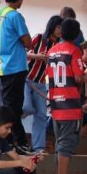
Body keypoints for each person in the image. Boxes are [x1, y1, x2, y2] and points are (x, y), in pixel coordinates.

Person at [47, 18, 86, 174]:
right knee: (66, 143)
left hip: (56, 103)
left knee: (60, 142)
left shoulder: (52, 51)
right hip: (70, 104)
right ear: (77, 34)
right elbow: (78, 78)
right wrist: (86, 75)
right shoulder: (74, 51)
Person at [0, 0, 33, 151]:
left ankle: (13, 140)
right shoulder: (15, 16)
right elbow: (27, 41)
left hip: (2, 66)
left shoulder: (0, 14)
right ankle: (16, 141)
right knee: (13, 108)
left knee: (10, 105)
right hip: (15, 66)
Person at [22, 16, 60, 155]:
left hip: (41, 83)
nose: (60, 31)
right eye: (58, 27)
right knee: (26, 107)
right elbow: (24, 54)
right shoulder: (38, 38)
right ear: (52, 26)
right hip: (26, 79)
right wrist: (38, 56)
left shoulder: (58, 46)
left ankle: (38, 148)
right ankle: (13, 124)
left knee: (41, 115)